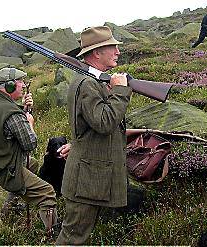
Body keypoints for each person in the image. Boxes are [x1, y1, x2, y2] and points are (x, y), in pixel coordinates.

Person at [55, 26, 133, 245]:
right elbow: (104, 122)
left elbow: (90, 126)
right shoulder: (88, 83)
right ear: (97, 53)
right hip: (87, 179)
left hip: (92, 176)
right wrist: (120, 92)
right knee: (73, 238)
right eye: (112, 47)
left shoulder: (93, 81)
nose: (118, 51)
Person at [0, 67, 68, 240]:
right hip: (1, 167)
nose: (24, 85)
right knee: (47, 192)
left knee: (32, 164)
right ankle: (53, 235)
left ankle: (11, 205)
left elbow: (8, 126)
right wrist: (29, 122)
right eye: (20, 83)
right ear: (8, 86)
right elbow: (30, 144)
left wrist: (24, 108)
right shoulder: (13, 115)